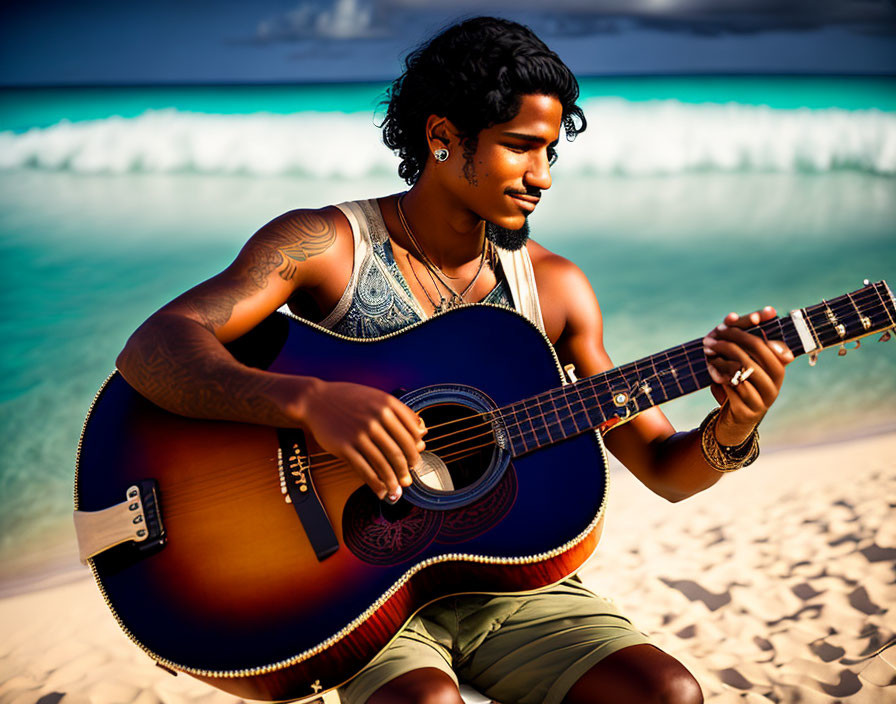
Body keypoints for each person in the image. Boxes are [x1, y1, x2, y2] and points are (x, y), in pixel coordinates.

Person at [116, 16, 793, 704]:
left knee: (666, 692)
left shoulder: (555, 289)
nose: (543, 178)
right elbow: (155, 346)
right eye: (521, 148)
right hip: (356, 591)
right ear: (442, 137)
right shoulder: (325, 245)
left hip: (511, 583)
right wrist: (310, 402)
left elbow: (661, 469)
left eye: (551, 152)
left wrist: (733, 429)